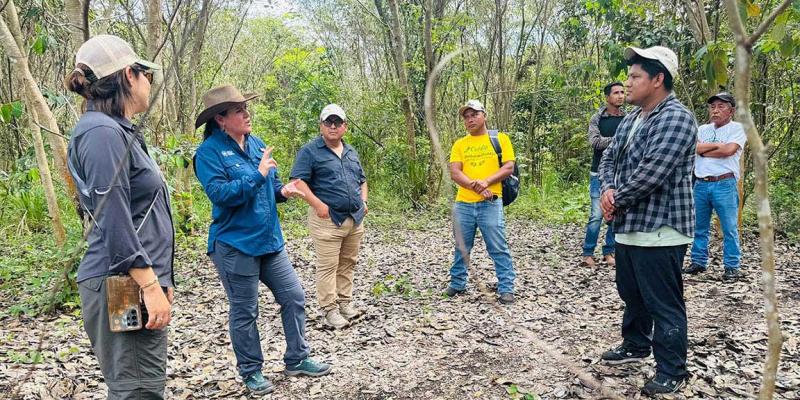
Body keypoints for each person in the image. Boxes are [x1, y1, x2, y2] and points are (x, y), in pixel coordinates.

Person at [193, 85, 332, 395]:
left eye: (246, 108)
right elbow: (220, 195)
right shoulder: (208, 153)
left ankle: (297, 358)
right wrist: (256, 175)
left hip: (270, 241)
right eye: (238, 110)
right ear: (220, 119)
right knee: (245, 310)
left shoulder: (257, 145)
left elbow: (271, 187)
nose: (246, 113)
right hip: (235, 245)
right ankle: (251, 371)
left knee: (294, 296)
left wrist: (283, 192)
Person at [65, 34, 174, 399]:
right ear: (130, 75)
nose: (149, 84)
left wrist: (161, 278)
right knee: (137, 390)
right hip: (121, 285)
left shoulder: (116, 130)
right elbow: (112, 218)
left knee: (141, 385)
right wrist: (149, 284)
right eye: (147, 75)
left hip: (129, 279)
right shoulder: (101, 132)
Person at [597, 46, 697, 395]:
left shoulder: (677, 118)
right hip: (628, 226)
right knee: (632, 294)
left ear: (658, 80)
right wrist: (607, 189)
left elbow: (652, 172)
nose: (629, 83)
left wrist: (614, 199)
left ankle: (672, 369)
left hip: (662, 229)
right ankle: (636, 344)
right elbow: (609, 158)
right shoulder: (632, 118)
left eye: (636, 76)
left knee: (663, 303)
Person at [290, 104, 368, 329]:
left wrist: (364, 201)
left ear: (345, 126)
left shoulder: (351, 151)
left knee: (348, 263)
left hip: (354, 218)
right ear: (321, 126)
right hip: (327, 220)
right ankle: (330, 309)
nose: (333, 126)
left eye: (337, 122)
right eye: (328, 122)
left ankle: (345, 303)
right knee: (328, 266)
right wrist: (318, 205)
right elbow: (298, 181)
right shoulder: (310, 151)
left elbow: (362, 180)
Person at [445, 100, 517, 305]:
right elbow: (455, 172)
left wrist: (486, 182)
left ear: (484, 115)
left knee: (497, 246)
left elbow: (508, 167)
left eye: (474, 114)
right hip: (464, 204)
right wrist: (475, 186)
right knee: (461, 246)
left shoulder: (500, 139)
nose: (470, 119)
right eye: (466, 117)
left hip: (491, 203)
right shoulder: (460, 144)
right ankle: (458, 282)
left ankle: (506, 287)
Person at [684, 92, 746, 281]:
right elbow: (693, 148)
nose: (716, 110)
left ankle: (732, 266)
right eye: (713, 107)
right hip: (701, 184)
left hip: (724, 183)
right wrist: (716, 148)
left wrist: (705, 151)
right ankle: (698, 262)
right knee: (699, 226)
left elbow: (728, 150)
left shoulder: (737, 128)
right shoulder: (702, 129)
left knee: (729, 228)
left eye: (721, 106)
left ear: (731, 110)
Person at [581, 82, 625, 267]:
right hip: (598, 172)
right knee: (596, 214)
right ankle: (588, 253)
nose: (620, 96)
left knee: (615, 213)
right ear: (607, 97)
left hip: (621, 173)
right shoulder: (597, 118)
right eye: (616, 93)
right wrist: (619, 140)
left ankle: (609, 252)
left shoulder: (629, 118)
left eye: (622, 92)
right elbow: (595, 142)